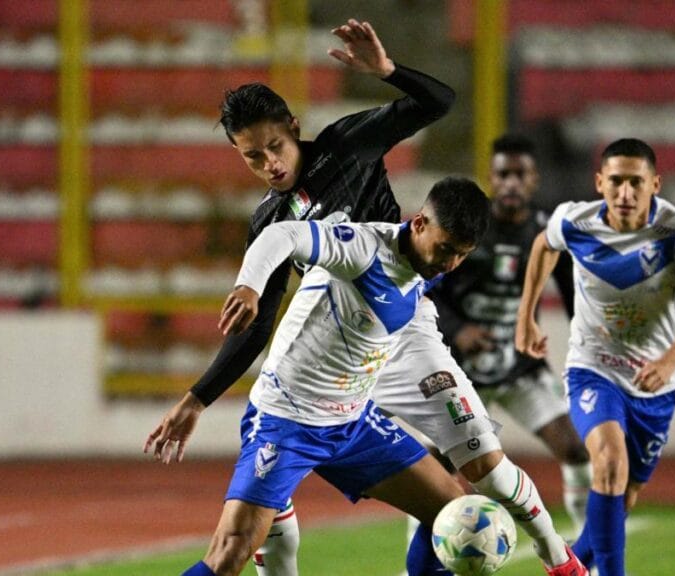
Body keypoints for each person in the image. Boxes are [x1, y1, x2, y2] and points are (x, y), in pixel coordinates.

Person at [144, 19, 586, 576]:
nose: (270, 165)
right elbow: (256, 325)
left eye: (275, 147)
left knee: (473, 492)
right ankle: (273, 517)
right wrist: (198, 398)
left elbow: (438, 102)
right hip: (328, 357)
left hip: (399, 329)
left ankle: (562, 562)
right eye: (252, 157)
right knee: (242, 547)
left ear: (294, 128)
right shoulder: (271, 219)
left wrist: (388, 73)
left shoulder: (346, 148)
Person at [175, 178, 488, 576]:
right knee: (229, 555)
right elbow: (283, 232)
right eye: (446, 249)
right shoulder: (363, 248)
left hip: (352, 423)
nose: (449, 264)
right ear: (420, 223)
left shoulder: (430, 263)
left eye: (462, 255)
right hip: (287, 419)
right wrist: (250, 286)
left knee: (452, 512)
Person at [515, 138, 675, 576]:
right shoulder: (575, 220)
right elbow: (542, 247)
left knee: (620, 498)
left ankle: (566, 568)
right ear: (600, 183)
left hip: (654, 384)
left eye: (636, 183)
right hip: (593, 368)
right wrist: (527, 315)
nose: (625, 193)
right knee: (608, 461)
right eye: (616, 182)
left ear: (654, 184)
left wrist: (668, 361)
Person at [428, 133, 591, 534]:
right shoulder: (468, 225)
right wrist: (458, 329)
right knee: (436, 469)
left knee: (576, 450)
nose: (512, 183)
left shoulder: (547, 233)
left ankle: (592, 547)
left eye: (521, 175)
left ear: (534, 179)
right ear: (491, 177)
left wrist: (590, 348)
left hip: (521, 368)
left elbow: (575, 299)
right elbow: (427, 289)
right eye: (504, 174)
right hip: (463, 372)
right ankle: (423, 558)